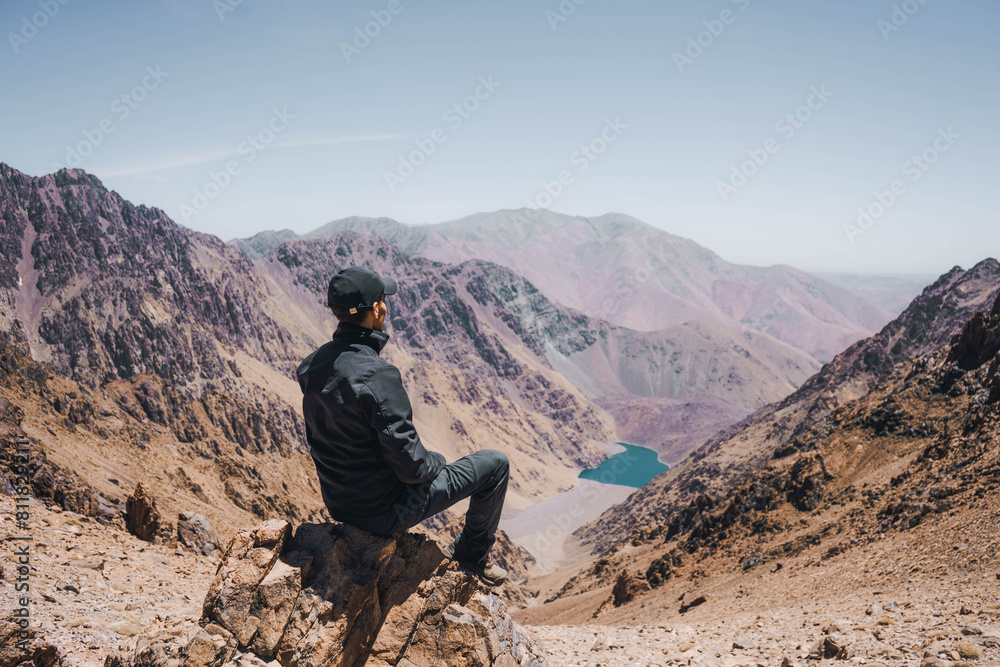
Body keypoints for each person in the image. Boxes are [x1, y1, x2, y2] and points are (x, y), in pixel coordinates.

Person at [296, 265, 510, 586]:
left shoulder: (312, 366)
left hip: (339, 503)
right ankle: (471, 555)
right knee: (495, 464)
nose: (386, 305)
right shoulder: (378, 375)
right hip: (384, 514)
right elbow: (412, 468)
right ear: (377, 309)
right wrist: (437, 462)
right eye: (383, 299)